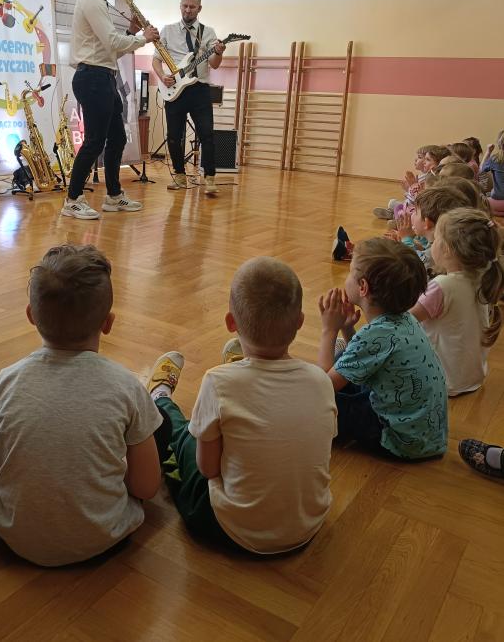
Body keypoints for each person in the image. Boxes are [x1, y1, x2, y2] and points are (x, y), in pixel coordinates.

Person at [0, 244, 171, 565]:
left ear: (31, 316)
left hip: (15, 541)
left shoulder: (4, 382)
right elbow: (146, 488)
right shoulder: (126, 385)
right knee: (159, 421)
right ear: (108, 323)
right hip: (104, 540)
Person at [146, 257, 337, 554]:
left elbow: (208, 469)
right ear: (300, 322)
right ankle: (241, 370)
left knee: (185, 436)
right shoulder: (321, 380)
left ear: (230, 322)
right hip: (306, 525)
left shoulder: (216, 382)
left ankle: (160, 397)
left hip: (228, 529)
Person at [318, 239, 448, 460]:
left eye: (350, 272)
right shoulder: (405, 319)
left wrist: (328, 330)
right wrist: (347, 327)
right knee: (342, 358)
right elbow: (366, 357)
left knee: (312, 400)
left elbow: (321, 388)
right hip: (425, 435)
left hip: (398, 439)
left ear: (363, 287)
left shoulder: (376, 334)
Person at [61, 0, 159, 220]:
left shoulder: (97, 1)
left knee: (117, 138)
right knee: (94, 141)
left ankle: (114, 196)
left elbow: (110, 51)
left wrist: (131, 34)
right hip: (92, 78)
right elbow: (113, 43)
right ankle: (72, 199)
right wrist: (143, 38)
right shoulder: (91, 0)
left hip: (103, 76)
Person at [410, 208, 504, 395]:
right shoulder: (483, 276)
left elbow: (407, 319)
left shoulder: (442, 286)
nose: (432, 243)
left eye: (436, 239)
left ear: (447, 249)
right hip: (473, 377)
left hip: (442, 380)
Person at [152, 0, 226, 195]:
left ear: (199, 8)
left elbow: (215, 64)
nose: (187, 10)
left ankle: (210, 178)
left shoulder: (208, 32)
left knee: (207, 134)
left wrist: (218, 53)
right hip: (174, 89)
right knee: (174, 136)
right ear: (180, 6)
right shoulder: (167, 30)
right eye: (184, 6)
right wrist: (162, 76)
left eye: (192, 7)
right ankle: (179, 176)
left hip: (199, 89)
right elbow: (156, 60)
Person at [480, 131, 504, 216]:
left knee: (483, 204)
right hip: (499, 202)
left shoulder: (495, 159)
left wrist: (488, 151)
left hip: (498, 200)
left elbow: (481, 169)